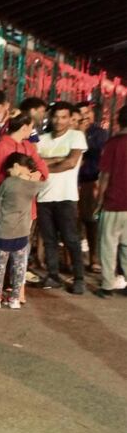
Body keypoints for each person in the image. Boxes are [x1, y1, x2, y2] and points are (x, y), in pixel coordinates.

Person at [36, 101, 88, 293]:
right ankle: (53, 275)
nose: (59, 121)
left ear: (69, 118)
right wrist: (58, 160)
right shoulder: (42, 139)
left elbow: (71, 163)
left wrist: (45, 166)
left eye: (64, 117)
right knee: (49, 239)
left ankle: (79, 278)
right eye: (56, 116)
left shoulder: (76, 136)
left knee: (70, 239)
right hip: (43, 196)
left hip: (66, 197)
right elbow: (34, 163)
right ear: (50, 117)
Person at [0, 154, 45, 309]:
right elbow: (44, 184)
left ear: (14, 167)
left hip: (4, 230)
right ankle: (14, 299)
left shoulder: (7, 183)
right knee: (19, 267)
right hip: (22, 231)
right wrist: (31, 177)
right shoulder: (31, 186)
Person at [95, 106, 127, 298]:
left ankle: (107, 285)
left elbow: (105, 175)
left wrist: (99, 200)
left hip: (114, 200)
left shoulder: (113, 144)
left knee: (108, 244)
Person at [76, 100, 108, 272]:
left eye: (87, 113)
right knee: (74, 222)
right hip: (73, 181)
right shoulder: (71, 132)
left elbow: (95, 152)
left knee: (90, 220)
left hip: (89, 179)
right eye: (81, 114)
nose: (85, 117)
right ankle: (74, 261)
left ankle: (94, 258)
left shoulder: (99, 133)